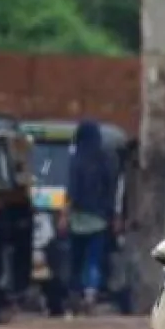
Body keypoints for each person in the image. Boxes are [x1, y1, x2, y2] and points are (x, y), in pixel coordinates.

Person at [65, 119, 118, 314]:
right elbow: (111, 191)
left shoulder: (76, 159)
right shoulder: (105, 160)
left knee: (76, 259)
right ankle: (90, 293)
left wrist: (65, 215)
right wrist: (112, 216)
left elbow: (71, 190)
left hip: (78, 219)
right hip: (99, 219)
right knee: (93, 259)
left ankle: (75, 294)